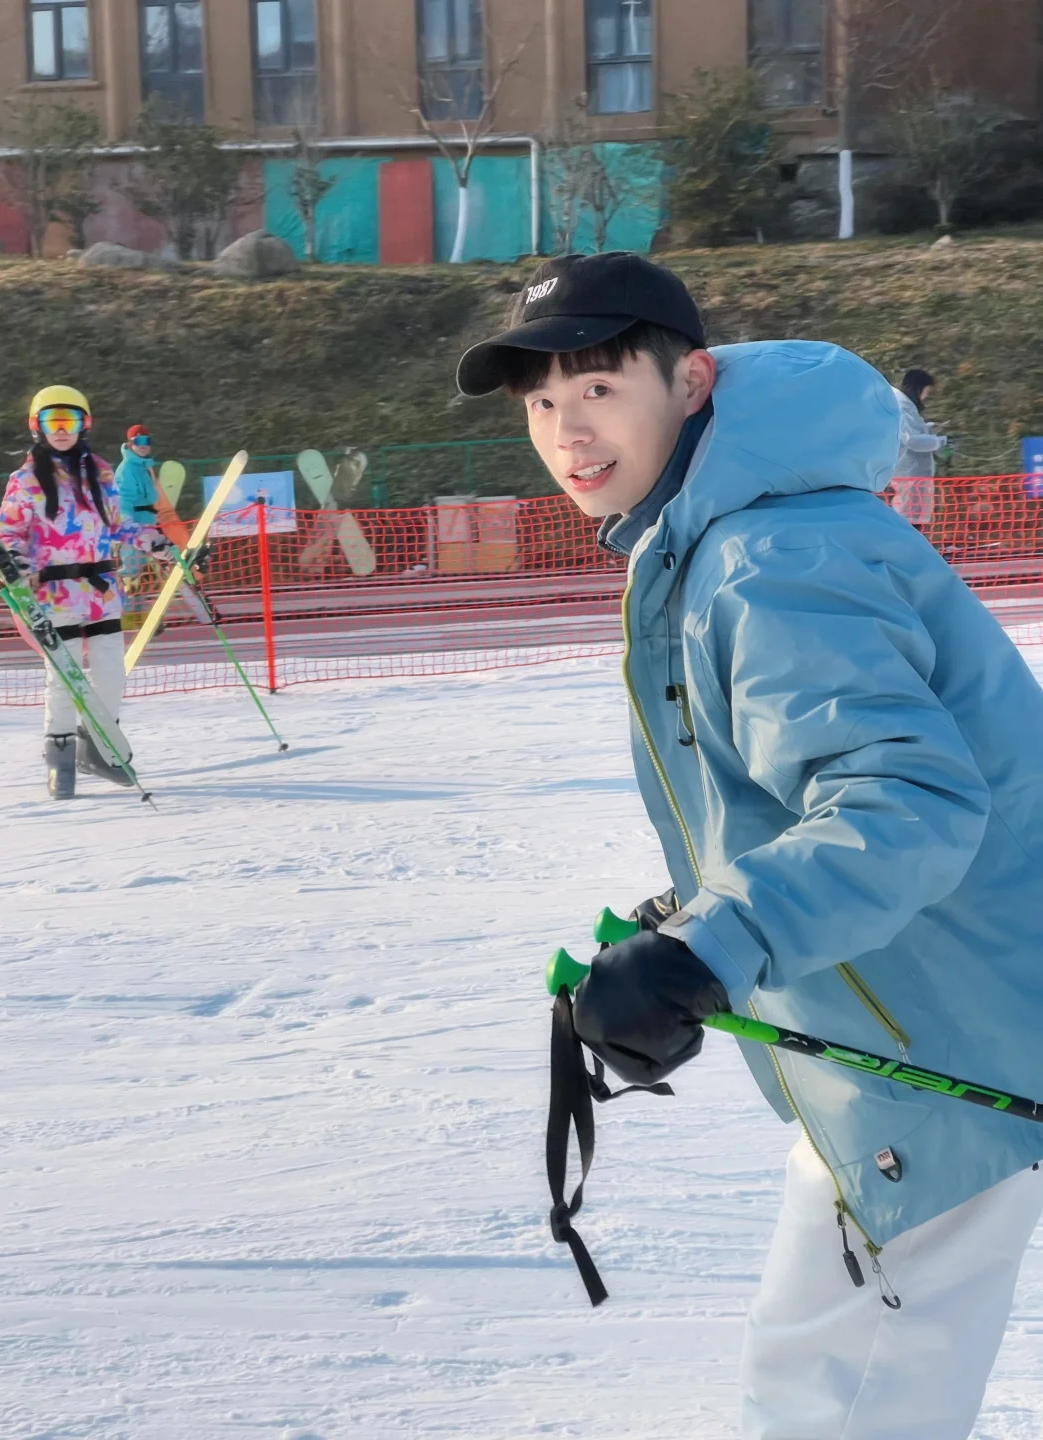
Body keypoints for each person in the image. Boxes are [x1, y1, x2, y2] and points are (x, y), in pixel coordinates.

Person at [457, 252, 1043, 1440]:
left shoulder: (766, 559)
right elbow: (806, 792)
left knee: (843, 1397)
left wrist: (718, 946)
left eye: (602, 389)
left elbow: (907, 804)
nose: (570, 432)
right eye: (541, 403)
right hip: (912, 1008)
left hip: (947, 1028)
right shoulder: (726, 537)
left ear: (693, 380)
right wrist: (693, 921)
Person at [0, 386, 169, 799]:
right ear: (37, 426)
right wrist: (14, 562)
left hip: (101, 590)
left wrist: (156, 543)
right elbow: (8, 531)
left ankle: (98, 746)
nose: (61, 430)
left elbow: (118, 524)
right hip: (54, 593)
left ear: (83, 426)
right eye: (52, 421)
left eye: (68, 421)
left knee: (112, 674)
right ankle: (60, 756)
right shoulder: (25, 479)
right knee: (63, 678)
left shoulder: (101, 471)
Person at [114, 423, 163, 626]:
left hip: (147, 523)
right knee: (131, 569)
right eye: (138, 442)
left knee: (143, 569)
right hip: (135, 528)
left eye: (147, 441)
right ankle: (125, 613)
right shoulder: (127, 469)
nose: (143, 446)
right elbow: (124, 499)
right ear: (130, 444)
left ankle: (138, 612)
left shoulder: (143, 466)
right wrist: (128, 523)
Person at [891, 367, 947, 529]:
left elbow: (911, 431)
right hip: (909, 476)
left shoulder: (906, 406)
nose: (926, 398)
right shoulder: (902, 406)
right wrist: (940, 441)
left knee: (914, 520)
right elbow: (912, 440)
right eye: (926, 393)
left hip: (914, 478)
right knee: (908, 523)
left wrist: (928, 428)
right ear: (918, 388)